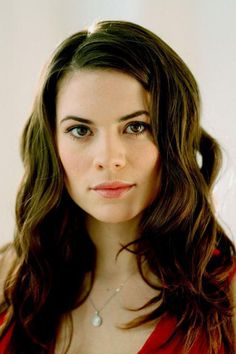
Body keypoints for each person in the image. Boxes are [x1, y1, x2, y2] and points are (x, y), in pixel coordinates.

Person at [0, 20, 235, 354]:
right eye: (81, 131)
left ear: (175, 135)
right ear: (51, 142)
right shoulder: (9, 281)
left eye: (136, 126)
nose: (109, 159)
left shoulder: (227, 297)